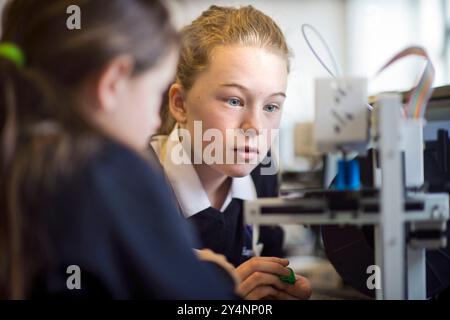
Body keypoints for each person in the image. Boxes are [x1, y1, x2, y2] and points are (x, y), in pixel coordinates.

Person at [0, 0, 237, 299]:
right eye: (157, 92)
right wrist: (217, 276)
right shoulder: (108, 172)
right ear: (112, 82)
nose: (156, 119)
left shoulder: (18, 155)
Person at [151, 5, 311, 300]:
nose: (255, 127)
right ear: (180, 104)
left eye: (271, 106)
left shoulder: (263, 172)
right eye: (234, 101)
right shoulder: (135, 179)